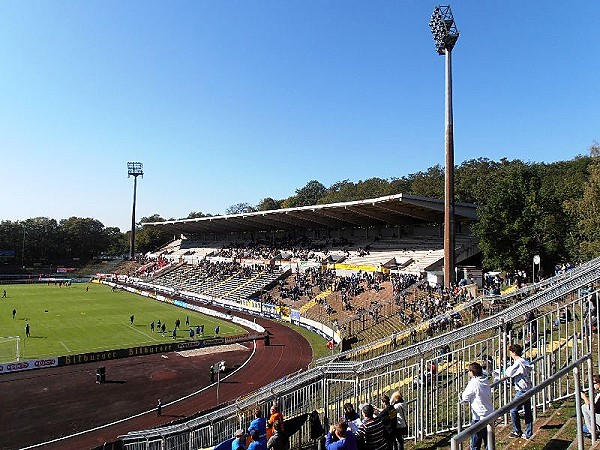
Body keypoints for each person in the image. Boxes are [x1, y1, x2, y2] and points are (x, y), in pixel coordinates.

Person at [461, 362, 493, 450]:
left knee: (475, 442)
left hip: (478, 416)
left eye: (469, 371)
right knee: (488, 441)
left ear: (472, 372)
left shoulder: (474, 382)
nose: (468, 373)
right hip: (489, 413)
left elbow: (465, 396)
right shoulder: (485, 380)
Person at [505, 343, 533, 439]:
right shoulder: (524, 361)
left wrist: (507, 369)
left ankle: (517, 431)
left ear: (513, 352)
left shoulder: (518, 363)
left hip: (522, 390)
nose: (510, 355)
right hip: (527, 388)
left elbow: (509, 372)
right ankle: (528, 432)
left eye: (511, 353)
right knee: (527, 411)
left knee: (513, 410)